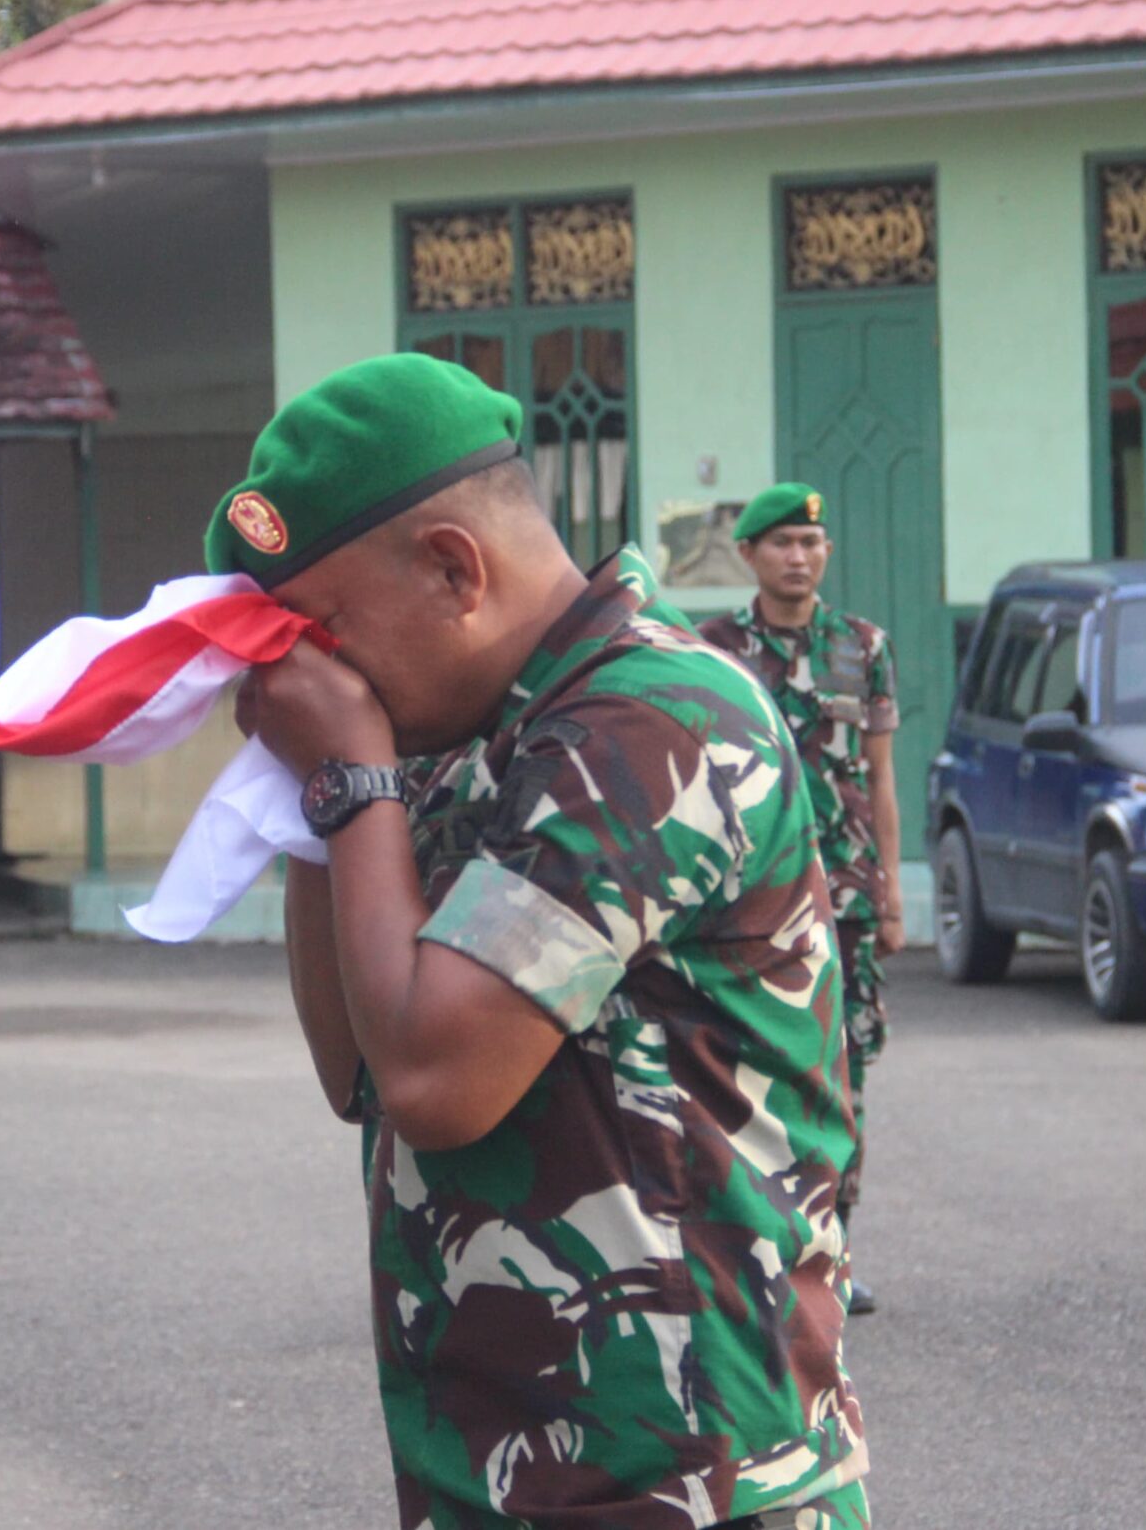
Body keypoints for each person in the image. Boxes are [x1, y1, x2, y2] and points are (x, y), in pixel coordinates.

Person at [223, 355, 868, 1529]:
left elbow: (432, 1079)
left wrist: (353, 781)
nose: (313, 675)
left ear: (452, 569)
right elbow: (357, 1067)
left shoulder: (651, 723)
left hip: (685, 1479)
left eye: (323, 634)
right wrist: (327, 799)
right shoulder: (474, 739)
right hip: (515, 1468)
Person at [697, 486, 901, 1319]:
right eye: (782, 541)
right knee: (745, 1074)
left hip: (845, 900)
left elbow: (881, 777)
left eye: (812, 541)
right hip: (752, 897)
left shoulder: (863, 646)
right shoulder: (714, 648)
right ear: (748, 553)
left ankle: (831, 1255)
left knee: (840, 1078)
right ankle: (748, 1249)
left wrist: (888, 896)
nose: (800, 556)